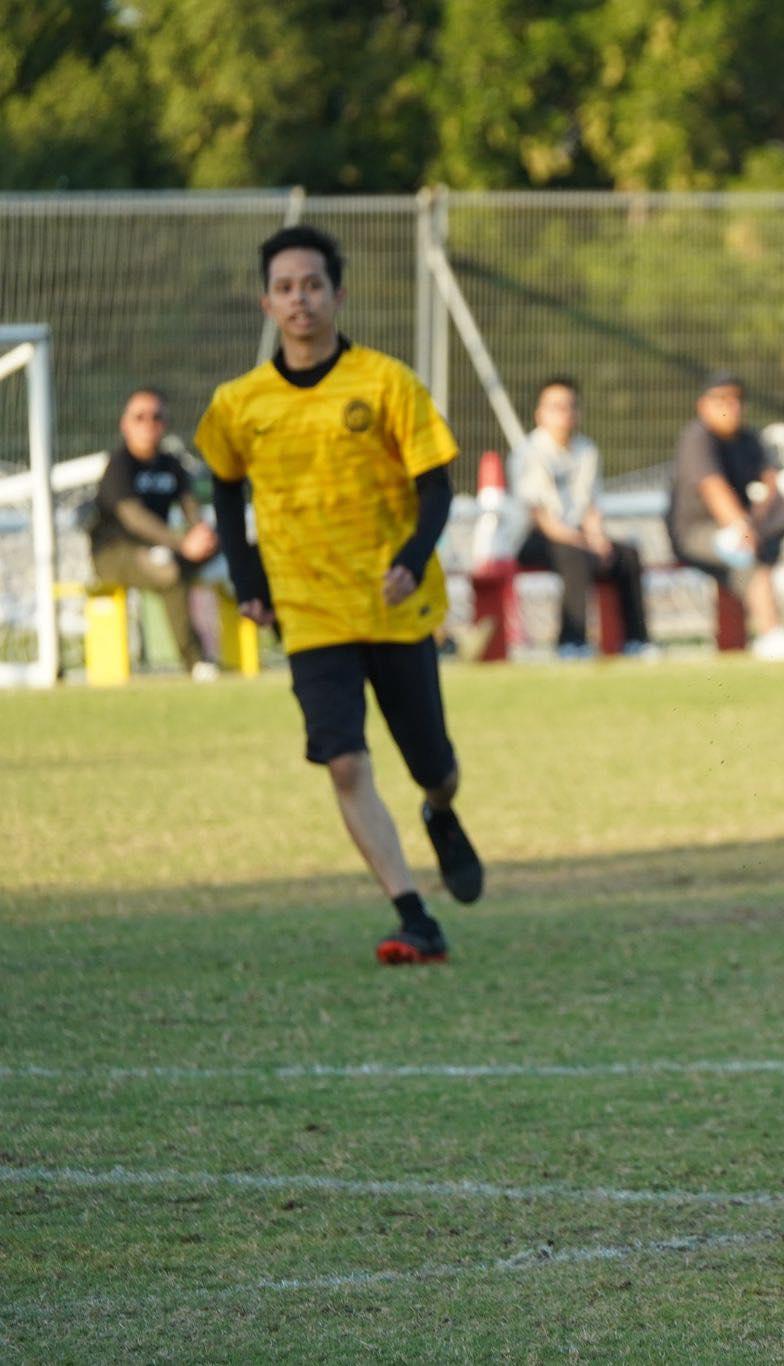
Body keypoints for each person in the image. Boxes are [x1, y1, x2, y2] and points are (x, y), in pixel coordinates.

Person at [194, 224, 484, 966]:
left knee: (433, 766)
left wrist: (412, 558)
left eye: (313, 285)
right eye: (285, 288)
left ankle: (441, 812)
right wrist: (249, 579)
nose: (300, 300)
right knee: (345, 761)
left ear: (338, 294)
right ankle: (413, 915)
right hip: (309, 610)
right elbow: (225, 491)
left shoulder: (386, 383)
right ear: (266, 303)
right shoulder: (239, 403)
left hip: (393, 604)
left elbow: (436, 487)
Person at [668, 373, 784, 660]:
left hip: (743, 528)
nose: (731, 406)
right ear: (703, 406)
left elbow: (770, 482)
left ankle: (769, 634)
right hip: (695, 534)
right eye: (722, 399)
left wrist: (757, 520)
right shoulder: (698, 437)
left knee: (780, 519)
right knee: (745, 551)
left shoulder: (749, 438)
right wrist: (742, 526)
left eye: (737, 399)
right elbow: (713, 488)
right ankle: (771, 635)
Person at [509, 376, 654, 659]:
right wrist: (584, 543)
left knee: (627, 556)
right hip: (534, 537)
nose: (564, 413)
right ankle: (572, 642)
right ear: (540, 414)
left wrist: (598, 539)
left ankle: (636, 641)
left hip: (578, 536)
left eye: (570, 406)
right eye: (556, 406)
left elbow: (590, 506)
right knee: (573, 557)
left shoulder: (587, 450)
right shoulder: (528, 452)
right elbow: (541, 518)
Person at [88, 388, 220, 680]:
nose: (149, 423)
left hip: (161, 548)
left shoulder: (171, 464)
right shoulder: (119, 465)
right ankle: (196, 661)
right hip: (113, 552)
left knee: (228, 551)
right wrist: (182, 543)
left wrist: (202, 536)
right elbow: (134, 518)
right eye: (140, 417)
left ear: (165, 422)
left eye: (156, 416)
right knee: (168, 571)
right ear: (125, 424)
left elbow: (191, 508)